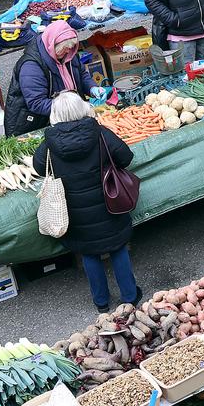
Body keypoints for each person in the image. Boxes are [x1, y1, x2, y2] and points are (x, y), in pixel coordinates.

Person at [33, 92, 139, 310]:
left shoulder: (49, 144)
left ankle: (101, 302)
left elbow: (38, 168)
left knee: (90, 254)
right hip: (109, 206)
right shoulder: (100, 134)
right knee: (118, 247)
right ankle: (130, 296)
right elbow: (126, 157)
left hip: (76, 214)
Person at [5, 19, 87, 136]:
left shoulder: (68, 53)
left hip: (62, 117)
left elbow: (82, 74)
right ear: (52, 44)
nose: (68, 51)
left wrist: (93, 87)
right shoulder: (31, 67)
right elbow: (36, 103)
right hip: (33, 125)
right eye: (65, 48)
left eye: (71, 47)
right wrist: (71, 108)